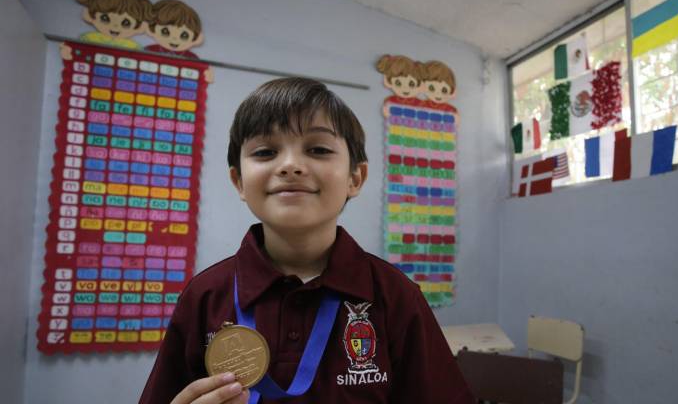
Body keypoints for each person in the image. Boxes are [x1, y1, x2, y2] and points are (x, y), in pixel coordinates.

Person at [139, 77, 474, 403]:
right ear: (239, 181)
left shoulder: (395, 295)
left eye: (317, 149)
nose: (290, 165)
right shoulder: (205, 296)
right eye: (266, 152)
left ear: (355, 178)